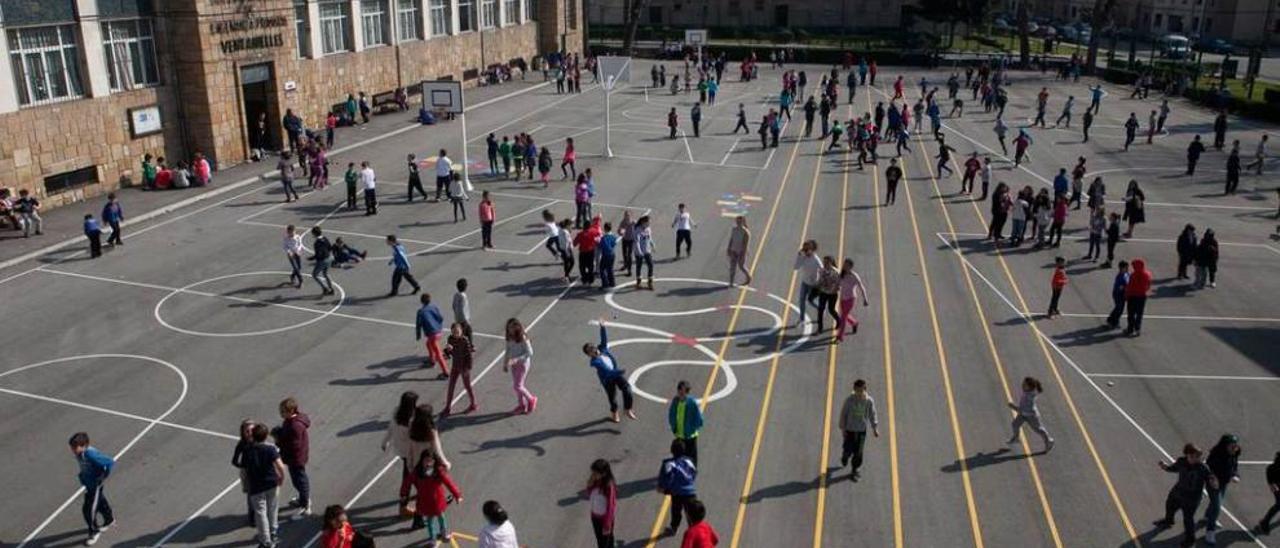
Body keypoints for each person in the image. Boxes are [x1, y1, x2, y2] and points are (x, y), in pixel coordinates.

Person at [1154, 443, 1218, 547]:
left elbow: (1210, 478)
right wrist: (1165, 467)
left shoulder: (1203, 468)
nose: (1195, 459)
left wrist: (1213, 483)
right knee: (1169, 505)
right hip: (1178, 491)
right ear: (1186, 455)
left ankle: (1190, 540)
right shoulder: (1181, 461)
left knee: (1188, 519)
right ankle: (1168, 521)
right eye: (1192, 456)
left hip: (1192, 498)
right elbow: (1173, 468)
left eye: (1197, 457)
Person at [240, 423, 285, 548]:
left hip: (256, 487)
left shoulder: (247, 451)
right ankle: (273, 531)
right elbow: (280, 466)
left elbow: (243, 471)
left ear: (253, 436)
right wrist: (281, 478)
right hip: (272, 483)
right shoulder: (270, 449)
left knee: (260, 513)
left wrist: (245, 485)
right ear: (266, 436)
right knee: (273, 508)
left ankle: (266, 540)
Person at [584, 321, 638, 422]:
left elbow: (604, 339)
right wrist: (620, 372)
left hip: (615, 373)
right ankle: (614, 413)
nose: (593, 349)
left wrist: (602, 327)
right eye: (590, 350)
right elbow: (608, 372)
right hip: (608, 379)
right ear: (589, 354)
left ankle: (628, 409)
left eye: (592, 347)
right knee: (613, 399)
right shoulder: (595, 362)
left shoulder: (602, 349)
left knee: (627, 390)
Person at [69, 432, 116, 546]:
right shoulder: (81, 454)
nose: (73, 450)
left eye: (75, 448)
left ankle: (93, 531)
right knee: (99, 502)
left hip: (95, 485)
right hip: (89, 484)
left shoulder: (90, 454)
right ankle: (109, 519)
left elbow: (109, 462)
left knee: (88, 510)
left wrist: (102, 477)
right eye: (72, 448)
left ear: (84, 445)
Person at [412, 448, 463, 546]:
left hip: (437, 502)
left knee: (441, 519)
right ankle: (433, 539)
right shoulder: (417, 472)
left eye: (430, 461)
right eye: (426, 460)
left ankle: (443, 534)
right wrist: (404, 494)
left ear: (434, 461)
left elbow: (449, 483)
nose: (428, 463)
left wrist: (457, 495)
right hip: (427, 502)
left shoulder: (438, 472)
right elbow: (407, 482)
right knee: (430, 523)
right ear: (422, 460)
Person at [274, 397, 311, 519]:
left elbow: (294, 445)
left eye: (283, 411)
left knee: (299, 481)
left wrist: (279, 439)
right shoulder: (291, 421)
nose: (281, 413)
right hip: (295, 457)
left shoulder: (295, 426)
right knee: (299, 479)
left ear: (291, 411)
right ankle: (303, 498)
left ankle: (305, 504)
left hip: (295, 458)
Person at [382, 392, 419, 514]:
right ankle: (404, 506)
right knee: (409, 477)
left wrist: (385, 441)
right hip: (410, 453)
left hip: (401, 450)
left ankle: (418, 493)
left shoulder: (397, 412)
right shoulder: (410, 420)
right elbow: (414, 438)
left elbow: (390, 428)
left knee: (409, 474)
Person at [837, 379, 880, 481]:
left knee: (859, 452)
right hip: (850, 430)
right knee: (848, 449)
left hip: (861, 431)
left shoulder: (869, 401)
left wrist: (875, 428)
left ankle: (854, 470)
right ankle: (845, 456)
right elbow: (844, 414)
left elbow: (872, 414)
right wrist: (843, 428)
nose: (860, 393)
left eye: (862, 390)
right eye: (858, 391)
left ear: (865, 390)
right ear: (854, 390)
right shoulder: (849, 401)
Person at [1203, 434, 1241, 544]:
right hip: (1213, 483)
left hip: (1224, 482)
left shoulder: (1235, 452)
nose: (1235, 447)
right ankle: (1210, 532)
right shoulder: (1216, 455)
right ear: (1225, 445)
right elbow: (1207, 468)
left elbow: (1234, 466)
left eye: (1235, 445)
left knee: (1215, 503)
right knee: (1217, 506)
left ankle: (1207, 516)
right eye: (1232, 445)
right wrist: (1213, 478)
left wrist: (1235, 475)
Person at [659, 439, 698, 537]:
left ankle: (673, 528)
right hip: (690, 492)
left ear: (672, 450)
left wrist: (665, 489)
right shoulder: (689, 461)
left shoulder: (668, 464)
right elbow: (694, 473)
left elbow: (664, 479)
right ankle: (694, 531)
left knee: (676, 511)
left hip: (677, 493)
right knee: (691, 512)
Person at [1007, 377, 1054, 452]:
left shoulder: (1030, 398)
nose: (1022, 385)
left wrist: (1013, 406)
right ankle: (1016, 438)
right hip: (1023, 414)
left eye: (1025, 385)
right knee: (1015, 424)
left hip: (1031, 416)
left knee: (1038, 429)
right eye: (1023, 383)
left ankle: (1049, 441)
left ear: (1030, 387)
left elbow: (1023, 409)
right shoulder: (1027, 391)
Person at [442, 322, 478, 416]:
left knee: (467, 386)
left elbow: (469, 355)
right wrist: (446, 351)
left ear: (461, 331)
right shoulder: (450, 339)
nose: (455, 334)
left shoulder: (465, 340)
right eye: (454, 332)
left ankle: (473, 403)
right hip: (455, 366)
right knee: (451, 386)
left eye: (457, 332)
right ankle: (448, 407)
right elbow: (448, 355)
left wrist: (468, 368)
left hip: (464, 367)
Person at [503, 318, 537, 414]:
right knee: (518, 385)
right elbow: (507, 350)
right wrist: (505, 363)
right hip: (514, 365)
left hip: (523, 364)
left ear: (517, 327)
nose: (510, 330)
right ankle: (521, 405)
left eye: (512, 327)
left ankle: (531, 399)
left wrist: (516, 359)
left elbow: (530, 352)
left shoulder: (523, 337)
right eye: (509, 328)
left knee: (517, 386)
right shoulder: (509, 337)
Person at [669, 381, 704, 465]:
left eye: (683, 392)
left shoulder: (692, 403)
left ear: (687, 393)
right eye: (679, 391)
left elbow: (698, 418)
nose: (680, 394)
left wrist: (693, 429)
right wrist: (673, 427)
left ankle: (692, 471)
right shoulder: (675, 401)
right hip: (679, 434)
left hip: (690, 436)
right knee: (679, 456)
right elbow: (671, 414)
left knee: (691, 456)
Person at [416, 293, 449, 379]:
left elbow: (418, 324)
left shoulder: (421, 312)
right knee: (428, 344)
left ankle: (445, 372)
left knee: (438, 353)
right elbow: (441, 318)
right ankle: (432, 360)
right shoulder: (434, 307)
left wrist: (418, 334)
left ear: (421, 301)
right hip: (439, 331)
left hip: (432, 334)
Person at [586, 459, 618, 548]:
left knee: (603, 543)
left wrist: (607, 524)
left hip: (604, 519)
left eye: (596, 473)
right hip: (595, 517)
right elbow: (589, 494)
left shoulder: (608, 486)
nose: (593, 475)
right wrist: (590, 483)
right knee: (602, 540)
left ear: (603, 473)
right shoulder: (595, 482)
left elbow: (611, 506)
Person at [793, 240, 822, 325]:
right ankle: (802, 319)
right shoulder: (803, 257)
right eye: (805, 248)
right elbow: (796, 267)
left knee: (811, 301)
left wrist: (819, 282)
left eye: (808, 248)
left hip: (813, 285)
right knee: (801, 300)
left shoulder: (816, 259)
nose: (805, 250)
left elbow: (822, 270)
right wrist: (799, 257)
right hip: (804, 283)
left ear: (813, 249)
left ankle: (821, 309)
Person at [1124, 258, 1151, 336]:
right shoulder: (1147, 274)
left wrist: (1126, 295)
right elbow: (1148, 285)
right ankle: (1137, 328)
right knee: (1139, 314)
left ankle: (1130, 329)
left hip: (1133, 296)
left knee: (1131, 314)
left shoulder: (1133, 275)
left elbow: (1129, 286)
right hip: (1142, 297)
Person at [726, 215, 752, 286]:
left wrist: (743, 254)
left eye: (739, 222)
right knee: (732, 266)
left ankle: (748, 277)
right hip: (733, 250)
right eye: (737, 221)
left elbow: (745, 244)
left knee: (741, 266)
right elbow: (731, 239)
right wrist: (728, 248)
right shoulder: (734, 229)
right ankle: (731, 282)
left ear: (742, 222)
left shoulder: (746, 232)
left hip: (741, 251)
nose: (738, 223)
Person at [1258, 452, 1280, 535]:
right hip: (1277, 487)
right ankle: (1264, 522)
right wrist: (1272, 484)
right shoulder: (1273, 468)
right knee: (1278, 504)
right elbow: (1270, 477)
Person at [1105, 260, 1130, 328]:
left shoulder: (1127, 274)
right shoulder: (1120, 277)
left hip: (1123, 294)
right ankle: (1113, 321)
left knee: (1119, 309)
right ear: (1121, 268)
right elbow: (1120, 288)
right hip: (1118, 295)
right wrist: (1126, 287)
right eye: (1126, 267)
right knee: (1119, 309)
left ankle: (1113, 320)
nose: (1127, 268)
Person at [634, 215, 656, 289]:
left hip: (647, 251)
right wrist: (639, 252)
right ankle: (639, 282)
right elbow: (637, 242)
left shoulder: (648, 229)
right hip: (639, 252)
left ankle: (650, 281)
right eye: (648, 222)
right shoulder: (638, 230)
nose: (649, 224)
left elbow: (649, 238)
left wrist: (653, 245)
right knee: (639, 266)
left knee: (651, 265)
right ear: (643, 222)